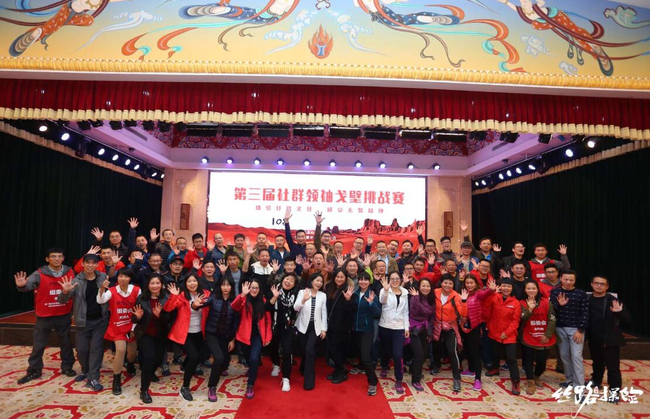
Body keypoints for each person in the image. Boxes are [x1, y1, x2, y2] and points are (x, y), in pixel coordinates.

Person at [14, 248, 77, 385]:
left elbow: (75, 290)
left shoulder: (70, 272)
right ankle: (34, 370)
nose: (56, 259)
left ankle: (67, 367)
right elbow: (27, 285)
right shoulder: (39, 273)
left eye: (59, 256)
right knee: (39, 344)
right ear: (47, 259)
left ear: (63, 258)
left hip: (63, 313)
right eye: (53, 256)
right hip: (45, 315)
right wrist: (22, 286)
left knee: (66, 343)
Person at [57, 253, 107, 392]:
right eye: (87, 262)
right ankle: (86, 370)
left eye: (93, 263)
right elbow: (61, 301)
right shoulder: (75, 281)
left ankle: (93, 378)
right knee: (81, 350)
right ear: (83, 264)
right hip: (82, 321)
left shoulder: (102, 277)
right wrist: (65, 292)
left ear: (97, 265)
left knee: (96, 349)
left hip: (100, 321)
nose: (90, 265)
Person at [163, 275, 211, 401]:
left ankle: (185, 366)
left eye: (194, 280)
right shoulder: (182, 296)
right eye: (189, 281)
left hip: (200, 332)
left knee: (195, 356)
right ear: (185, 284)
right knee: (194, 357)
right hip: (185, 333)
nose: (192, 283)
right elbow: (168, 308)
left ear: (198, 282)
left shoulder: (206, 294)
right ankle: (185, 387)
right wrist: (173, 296)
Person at [587, 275, 631, 403]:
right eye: (596, 283)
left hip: (610, 339)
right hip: (594, 337)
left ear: (607, 286)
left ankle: (614, 391)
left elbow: (627, 318)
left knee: (612, 367)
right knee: (597, 362)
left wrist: (619, 312)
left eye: (602, 284)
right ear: (592, 284)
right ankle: (596, 381)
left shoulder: (613, 300)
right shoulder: (588, 299)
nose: (599, 286)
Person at [97, 267, 141, 395]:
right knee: (121, 350)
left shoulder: (136, 290)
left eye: (126, 276)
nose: (123, 279)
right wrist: (101, 288)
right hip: (117, 326)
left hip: (132, 325)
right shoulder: (112, 290)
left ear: (130, 278)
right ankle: (116, 380)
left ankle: (130, 364)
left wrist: (133, 328)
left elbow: (139, 310)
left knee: (132, 353)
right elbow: (100, 300)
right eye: (120, 276)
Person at [196, 275, 240, 402]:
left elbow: (235, 322)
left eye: (228, 285)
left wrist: (232, 339)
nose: (225, 288)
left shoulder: (235, 301)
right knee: (219, 358)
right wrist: (195, 304)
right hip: (212, 333)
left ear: (232, 287)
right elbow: (200, 305)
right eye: (223, 285)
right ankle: (212, 387)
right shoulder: (213, 298)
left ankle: (221, 369)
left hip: (226, 335)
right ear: (219, 286)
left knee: (224, 359)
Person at [131, 273, 171, 404]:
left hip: (161, 334)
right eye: (152, 283)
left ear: (162, 285)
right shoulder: (141, 298)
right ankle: (144, 390)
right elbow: (134, 317)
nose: (155, 286)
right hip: (145, 334)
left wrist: (160, 316)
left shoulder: (167, 298)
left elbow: (170, 319)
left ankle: (150, 372)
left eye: (157, 283)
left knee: (158, 359)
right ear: (148, 285)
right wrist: (137, 317)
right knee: (149, 357)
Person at [231, 278, 273, 399]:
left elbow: (268, 320)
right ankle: (252, 369)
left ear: (259, 290)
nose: (254, 290)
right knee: (248, 357)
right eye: (252, 288)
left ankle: (250, 384)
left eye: (256, 288)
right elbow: (234, 307)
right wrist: (242, 294)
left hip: (257, 336)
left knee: (254, 358)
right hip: (243, 335)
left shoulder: (263, 301)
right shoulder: (243, 299)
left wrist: (268, 336)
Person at [550, 270, 589, 389]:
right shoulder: (555, 291)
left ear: (575, 280)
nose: (568, 282)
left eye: (571, 280)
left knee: (576, 357)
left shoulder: (581, 294)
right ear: (560, 278)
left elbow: (585, 313)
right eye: (566, 279)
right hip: (559, 328)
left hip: (576, 329)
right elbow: (551, 311)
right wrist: (559, 305)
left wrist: (580, 330)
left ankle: (579, 386)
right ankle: (570, 379)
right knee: (564, 355)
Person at [485, 278, 522, 395]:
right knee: (495, 353)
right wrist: (491, 292)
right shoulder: (494, 297)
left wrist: (507, 333)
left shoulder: (516, 303)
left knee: (511, 358)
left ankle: (515, 381)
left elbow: (515, 321)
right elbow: (486, 307)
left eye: (508, 286)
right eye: (504, 286)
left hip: (509, 335)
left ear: (512, 288)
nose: (506, 288)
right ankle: (495, 368)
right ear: (500, 287)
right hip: (494, 332)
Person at [460, 275, 497, 391]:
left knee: (475, 352)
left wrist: (491, 290)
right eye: (467, 283)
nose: (469, 285)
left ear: (476, 284)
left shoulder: (478, 294)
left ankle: (478, 379)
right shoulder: (463, 293)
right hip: (463, 326)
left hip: (475, 326)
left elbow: (486, 293)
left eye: (471, 283)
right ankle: (471, 370)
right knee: (467, 349)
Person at [433, 275, 468, 392]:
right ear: (441, 283)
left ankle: (457, 378)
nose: (447, 285)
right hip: (437, 325)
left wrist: (464, 301)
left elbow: (463, 314)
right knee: (436, 347)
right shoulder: (435, 292)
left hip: (450, 326)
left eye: (450, 283)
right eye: (445, 283)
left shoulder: (456, 296)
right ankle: (436, 366)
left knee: (452, 351)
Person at [520, 280, 556, 395]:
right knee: (528, 359)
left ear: (537, 290)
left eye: (533, 288)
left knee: (542, 360)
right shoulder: (521, 303)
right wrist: (530, 309)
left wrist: (547, 334)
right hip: (528, 335)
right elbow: (523, 318)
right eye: (528, 288)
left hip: (543, 335)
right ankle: (530, 381)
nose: (531, 291)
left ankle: (536, 375)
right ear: (525, 290)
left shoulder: (546, 302)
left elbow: (552, 319)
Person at [266, 273, 300, 392]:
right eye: (287, 279)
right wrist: (275, 297)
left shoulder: (296, 294)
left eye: (291, 281)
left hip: (288, 327)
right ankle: (276, 364)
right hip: (274, 325)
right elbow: (267, 307)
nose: (288, 282)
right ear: (282, 279)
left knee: (287, 352)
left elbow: (297, 309)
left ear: (294, 284)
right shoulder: (274, 289)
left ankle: (286, 378)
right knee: (273, 347)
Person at [294, 273, 328, 391]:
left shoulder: (323, 295)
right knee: (305, 350)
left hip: (315, 327)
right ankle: (303, 368)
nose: (319, 283)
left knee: (309, 350)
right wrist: (303, 300)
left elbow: (324, 313)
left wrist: (324, 329)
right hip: (302, 326)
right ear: (312, 281)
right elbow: (296, 308)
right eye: (317, 280)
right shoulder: (303, 292)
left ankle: (309, 382)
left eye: (321, 282)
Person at [378, 271, 410, 394]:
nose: (395, 281)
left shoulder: (405, 293)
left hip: (399, 327)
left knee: (397, 354)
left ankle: (399, 380)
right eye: (392, 279)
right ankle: (384, 366)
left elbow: (405, 311)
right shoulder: (384, 290)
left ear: (400, 280)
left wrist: (406, 327)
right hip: (385, 325)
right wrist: (386, 290)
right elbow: (382, 301)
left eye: (397, 279)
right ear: (389, 280)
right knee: (385, 350)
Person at [325, 269, 357, 384]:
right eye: (337, 277)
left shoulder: (348, 289)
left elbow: (353, 309)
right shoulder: (330, 288)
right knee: (332, 349)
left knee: (337, 349)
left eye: (342, 277)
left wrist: (348, 299)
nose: (339, 279)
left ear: (346, 278)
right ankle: (338, 370)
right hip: (330, 324)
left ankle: (342, 371)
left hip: (342, 326)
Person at [352, 271, 381, 396]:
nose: (363, 282)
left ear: (369, 282)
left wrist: (371, 303)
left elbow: (378, 313)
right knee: (359, 351)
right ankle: (360, 367)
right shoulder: (355, 293)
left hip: (367, 329)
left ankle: (373, 382)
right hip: (355, 328)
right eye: (361, 279)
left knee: (366, 356)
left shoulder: (372, 294)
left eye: (366, 280)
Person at [408, 278, 436, 392]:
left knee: (424, 354)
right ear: (419, 287)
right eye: (423, 286)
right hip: (413, 328)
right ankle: (416, 379)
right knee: (419, 354)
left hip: (425, 328)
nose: (425, 288)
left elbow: (432, 317)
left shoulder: (432, 299)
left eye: (428, 286)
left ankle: (413, 368)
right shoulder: (414, 298)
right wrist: (415, 298)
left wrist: (430, 331)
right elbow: (414, 312)